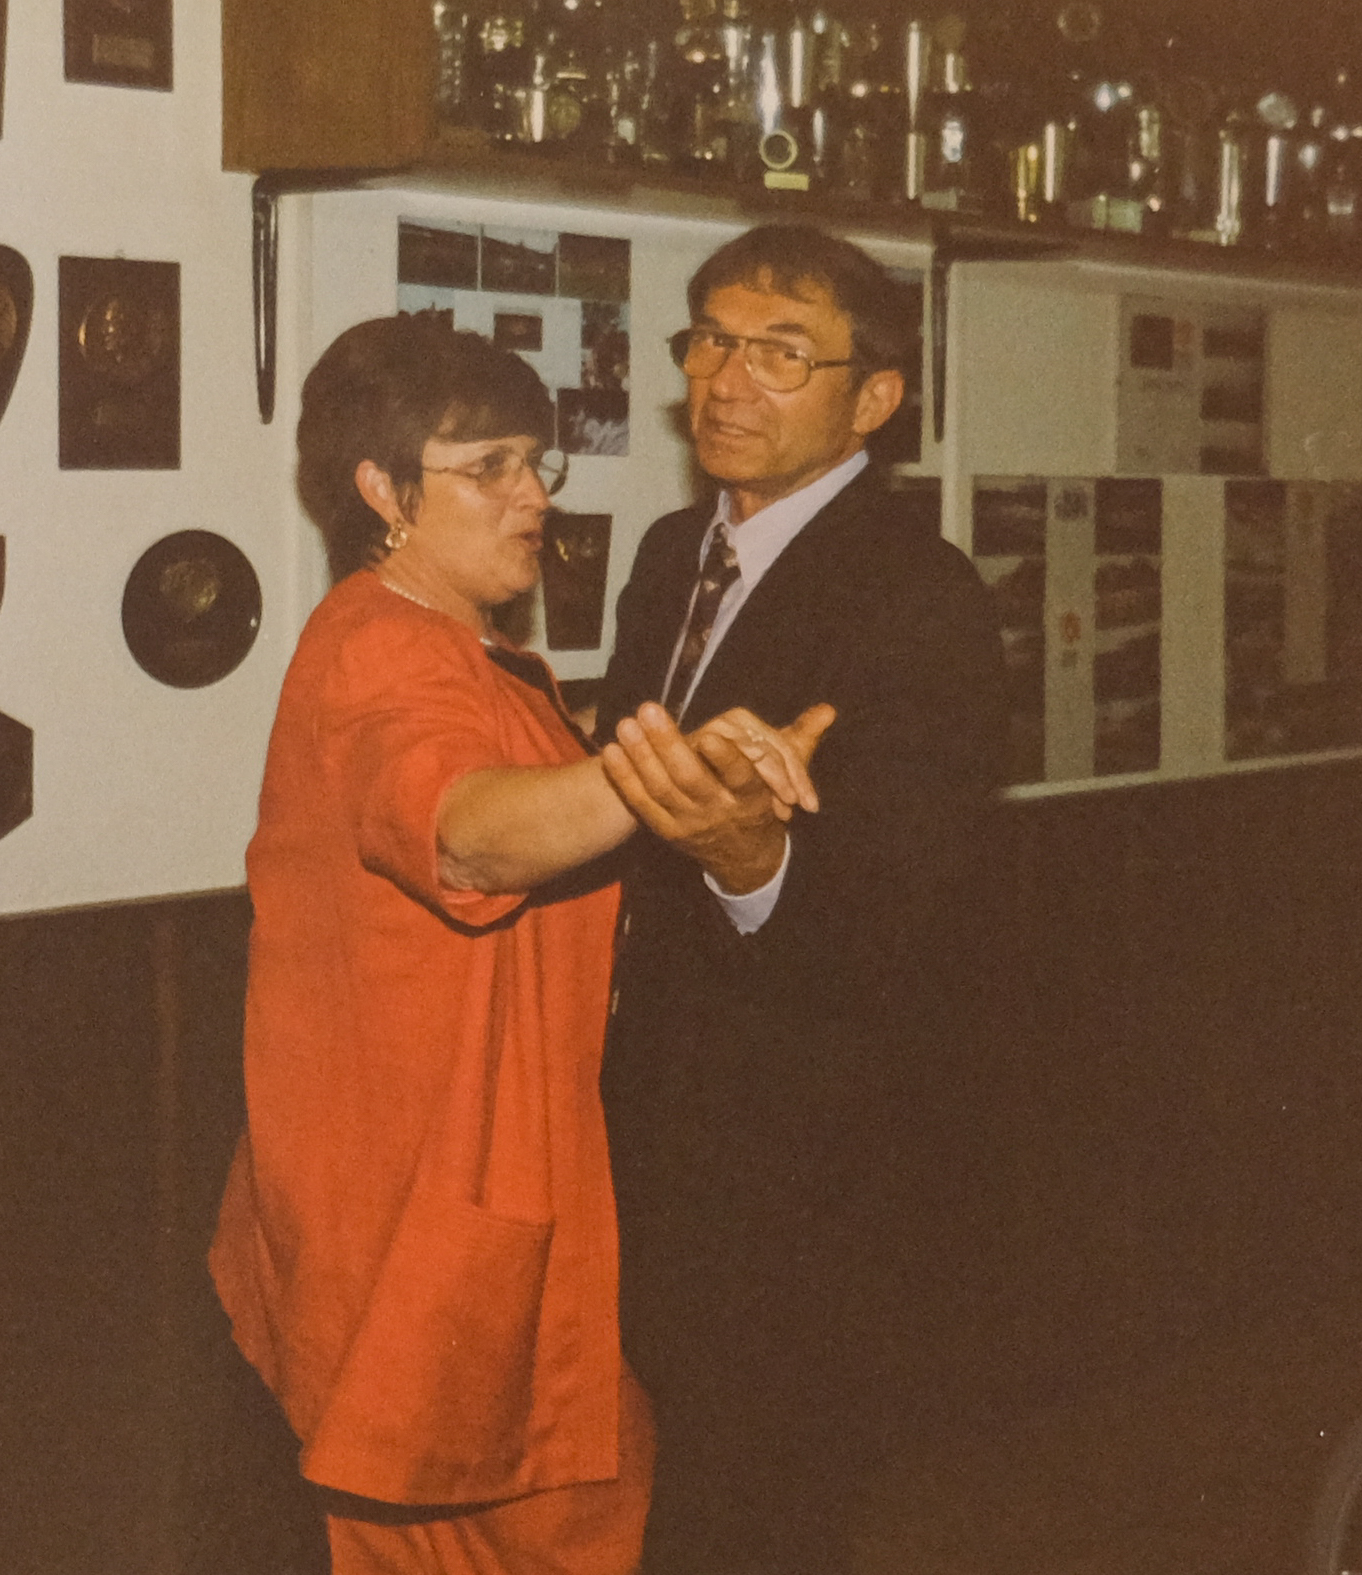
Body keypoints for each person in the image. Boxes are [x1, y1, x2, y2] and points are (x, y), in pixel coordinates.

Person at [205, 313, 824, 1575]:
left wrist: (647, 765)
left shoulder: (458, 647)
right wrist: (658, 778)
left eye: (536, 463)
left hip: (484, 1188)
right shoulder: (379, 648)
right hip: (418, 1215)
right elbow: (468, 834)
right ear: (382, 493)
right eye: (487, 467)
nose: (533, 496)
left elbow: (510, 776)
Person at [589, 224, 1005, 1574]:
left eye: (781, 353)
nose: (727, 379)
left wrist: (750, 860)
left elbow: (906, 905)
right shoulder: (672, 551)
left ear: (871, 399)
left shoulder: (920, 595)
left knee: (753, 1510)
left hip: (803, 1152)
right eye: (711, 339)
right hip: (645, 1110)